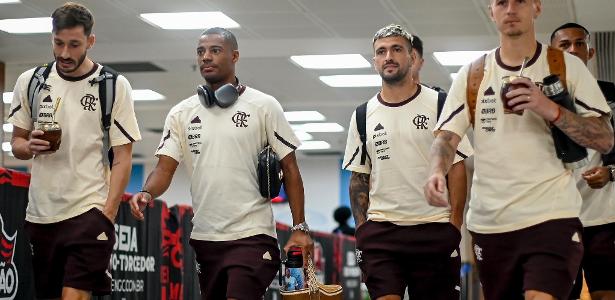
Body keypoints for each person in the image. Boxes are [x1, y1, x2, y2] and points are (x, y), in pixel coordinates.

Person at [424, 1, 614, 299]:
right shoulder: (473, 74)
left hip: (552, 216)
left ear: (536, 8)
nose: (510, 8)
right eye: (502, 2)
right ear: (492, 11)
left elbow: (605, 138)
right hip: (490, 223)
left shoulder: (565, 66)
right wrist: (436, 170)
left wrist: (549, 108)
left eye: (520, 1)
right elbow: (446, 137)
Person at [128, 27, 313, 299]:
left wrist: (299, 228)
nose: (206, 57)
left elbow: (291, 170)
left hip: (252, 234)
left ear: (234, 56)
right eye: (201, 52)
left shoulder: (263, 106)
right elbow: (164, 168)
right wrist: (146, 192)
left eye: (215, 50)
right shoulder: (181, 113)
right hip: (205, 237)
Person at [7, 2, 140, 299]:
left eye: (74, 44)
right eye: (58, 43)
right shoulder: (31, 81)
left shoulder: (113, 85)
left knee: (74, 294)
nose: (65, 53)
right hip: (41, 213)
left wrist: (107, 212)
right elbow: (16, 144)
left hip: (88, 209)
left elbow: (123, 156)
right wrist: (28, 146)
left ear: (90, 41)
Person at [342, 24, 473, 300]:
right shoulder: (363, 114)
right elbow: (359, 178)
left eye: (396, 49)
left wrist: (454, 224)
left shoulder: (440, 104)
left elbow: (457, 167)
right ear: (375, 61)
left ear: (412, 57)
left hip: (434, 229)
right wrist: (362, 228)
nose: (389, 56)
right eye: (381, 51)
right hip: (381, 232)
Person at [550, 22, 615, 300]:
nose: (573, 50)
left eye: (579, 43)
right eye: (564, 45)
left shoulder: (611, 95)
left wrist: (611, 172)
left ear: (590, 51)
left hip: (605, 217)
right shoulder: (540, 98)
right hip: (557, 216)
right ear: (552, 53)